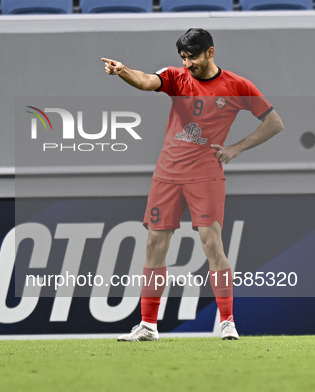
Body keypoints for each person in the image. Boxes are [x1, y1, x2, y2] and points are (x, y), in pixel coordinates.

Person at [101, 28, 284, 341]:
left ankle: (227, 322)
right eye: (183, 57)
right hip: (167, 175)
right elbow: (146, 81)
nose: (187, 63)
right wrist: (123, 72)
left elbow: (274, 122)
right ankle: (148, 326)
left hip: (206, 175)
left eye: (193, 57)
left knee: (212, 244)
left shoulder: (238, 85)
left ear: (210, 53)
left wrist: (237, 148)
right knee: (154, 246)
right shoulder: (176, 77)